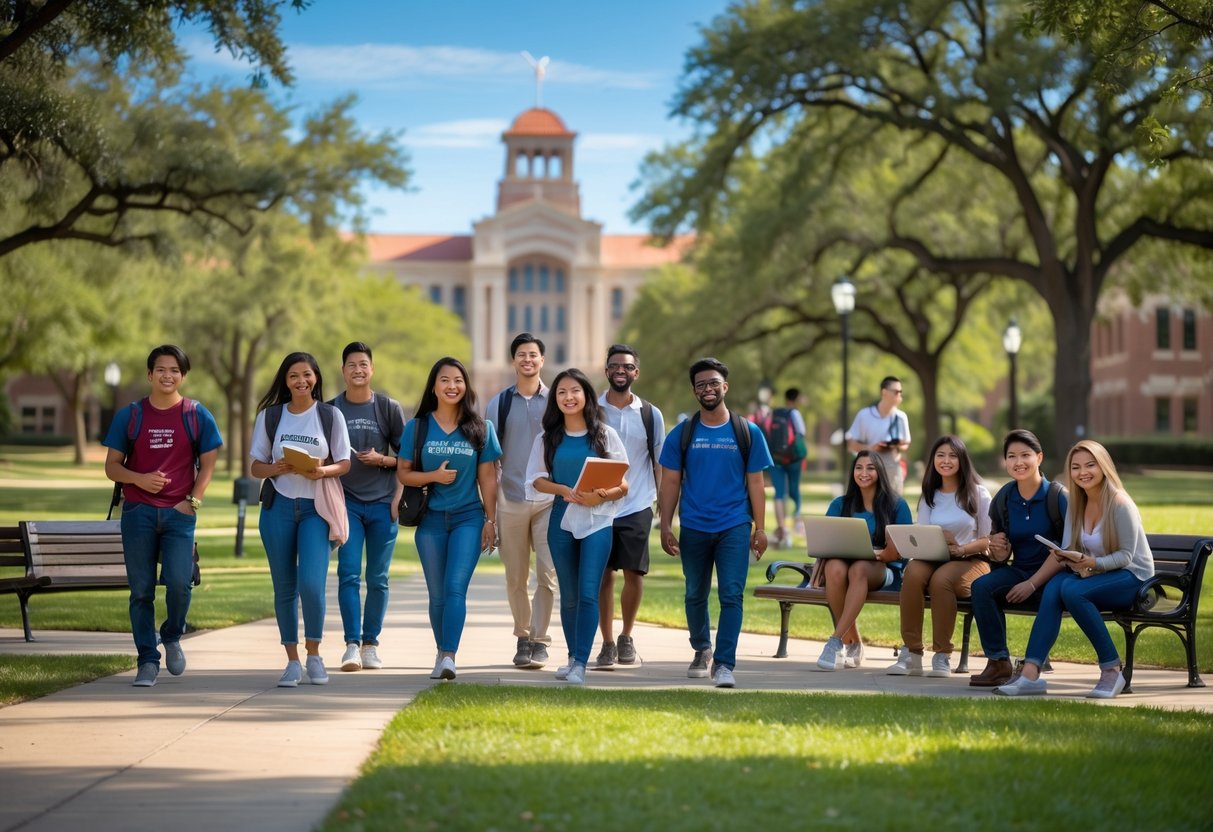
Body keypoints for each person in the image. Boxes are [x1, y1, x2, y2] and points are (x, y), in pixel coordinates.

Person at [103, 345, 223, 688]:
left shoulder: (197, 415)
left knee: (180, 584)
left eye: (174, 370)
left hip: (179, 515)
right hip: (138, 512)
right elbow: (111, 466)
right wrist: (139, 478)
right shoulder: (131, 415)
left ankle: (171, 634)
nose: (167, 375)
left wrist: (192, 503)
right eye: (160, 369)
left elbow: (209, 464)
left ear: (183, 376)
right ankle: (147, 660)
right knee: (141, 591)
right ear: (149, 374)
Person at [995, 441, 1154, 699]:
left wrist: (1091, 563)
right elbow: (1069, 545)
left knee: (1072, 591)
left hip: (1133, 578)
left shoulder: (1120, 503)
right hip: (1099, 575)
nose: (1083, 472)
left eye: (1090, 465)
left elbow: (1127, 556)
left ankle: (1112, 670)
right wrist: (1066, 556)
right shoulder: (1077, 504)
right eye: (1076, 467)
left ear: (1104, 467)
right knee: (1057, 585)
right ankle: (1031, 673)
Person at [658, 358, 773, 689]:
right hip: (694, 524)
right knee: (694, 592)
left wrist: (760, 527)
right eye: (701, 385)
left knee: (732, 595)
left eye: (713, 383)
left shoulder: (747, 432)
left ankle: (724, 663)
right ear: (695, 391)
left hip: (734, 525)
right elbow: (670, 483)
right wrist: (666, 525)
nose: (707, 389)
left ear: (725, 387)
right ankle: (701, 648)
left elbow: (756, 484)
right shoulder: (682, 434)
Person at [250, 352, 352, 687]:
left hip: (315, 509)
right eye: (294, 376)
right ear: (285, 380)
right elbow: (256, 467)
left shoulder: (329, 415)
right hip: (278, 506)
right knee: (284, 587)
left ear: (316, 378)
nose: (301, 381)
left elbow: (345, 463)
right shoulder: (271, 417)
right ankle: (292, 661)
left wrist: (321, 470)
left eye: (306, 375)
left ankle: (314, 654)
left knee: (311, 584)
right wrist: (277, 467)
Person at [399, 357, 501, 681]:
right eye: (445, 380)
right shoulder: (417, 427)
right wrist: (434, 477)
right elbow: (404, 474)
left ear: (466, 387)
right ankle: (441, 650)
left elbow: (488, 479)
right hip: (430, 521)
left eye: (458, 380)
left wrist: (491, 520)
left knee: (456, 587)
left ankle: (448, 656)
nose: (452, 386)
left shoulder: (481, 429)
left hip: (468, 518)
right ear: (434, 387)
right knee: (438, 594)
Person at [526, 368, 628, 685]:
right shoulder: (547, 439)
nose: (569, 397)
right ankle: (573, 658)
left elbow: (624, 483)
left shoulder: (605, 435)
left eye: (575, 391)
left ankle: (581, 663)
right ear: (556, 400)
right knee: (568, 595)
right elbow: (535, 479)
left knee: (587, 592)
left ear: (586, 396)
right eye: (561, 393)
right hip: (561, 518)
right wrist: (562, 490)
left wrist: (602, 496)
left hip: (598, 521)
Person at [968, 429, 1068, 687]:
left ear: (1039, 457)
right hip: (1020, 569)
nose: (1018, 462)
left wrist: (1032, 584)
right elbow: (1000, 552)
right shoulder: (1004, 497)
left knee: (1051, 594)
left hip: (1055, 576)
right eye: (1011, 456)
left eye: (1025, 455)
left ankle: (1033, 663)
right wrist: (999, 550)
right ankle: (998, 662)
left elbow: (1066, 550)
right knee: (982, 587)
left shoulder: (1058, 496)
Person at [887, 435, 992, 677]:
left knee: (941, 580)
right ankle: (911, 654)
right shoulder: (929, 495)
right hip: (935, 556)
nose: (946, 460)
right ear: (933, 460)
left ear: (962, 460)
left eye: (952, 455)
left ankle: (942, 654)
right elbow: (922, 535)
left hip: (972, 559)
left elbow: (988, 540)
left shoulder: (978, 493)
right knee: (912, 573)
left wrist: (961, 549)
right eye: (940, 455)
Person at [331, 342, 406, 672]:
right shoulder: (331, 409)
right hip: (346, 503)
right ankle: (351, 645)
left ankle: (371, 644)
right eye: (351, 365)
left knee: (377, 578)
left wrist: (394, 490)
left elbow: (407, 458)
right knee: (348, 574)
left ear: (371, 369)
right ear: (343, 370)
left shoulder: (388, 407)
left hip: (382, 505)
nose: (358, 370)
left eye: (363, 364)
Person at [486, 333, 557, 669]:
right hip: (511, 499)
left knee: (548, 573)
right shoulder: (498, 404)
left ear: (542, 360)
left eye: (533, 355)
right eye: (521, 355)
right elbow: (488, 458)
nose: (527, 360)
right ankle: (523, 636)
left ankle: (540, 641)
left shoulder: (558, 401)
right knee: (516, 576)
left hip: (548, 500)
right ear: (513, 361)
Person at [595, 344, 664, 669]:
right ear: (606, 371)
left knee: (635, 573)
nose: (620, 371)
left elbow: (659, 463)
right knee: (602, 576)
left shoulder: (650, 414)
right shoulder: (590, 409)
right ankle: (607, 642)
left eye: (627, 366)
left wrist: (665, 505)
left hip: (637, 503)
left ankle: (626, 636)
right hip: (598, 505)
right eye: (614, 366)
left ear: (636, 372)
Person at [815, 451, 912, 670]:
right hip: (844, 565)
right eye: (859, 468)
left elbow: (900, 551)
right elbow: (825, 540)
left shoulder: (896, 505)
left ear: (880, 472)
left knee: (858, 569)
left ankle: (835, 641)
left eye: (870, 468)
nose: (864, 473)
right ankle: (854, 642)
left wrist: (875, 553)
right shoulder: (841, 504)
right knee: (835, 568)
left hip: (884, 570)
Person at [847, 376, 911, 493]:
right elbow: (851, 445)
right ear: (884, 392)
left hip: (892, 468)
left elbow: (906, 444)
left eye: (901, 392)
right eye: (896, 392)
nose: (899, 395)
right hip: (869, 469)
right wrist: (871, 448)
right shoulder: (864, 415)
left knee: (893, 505)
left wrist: (894, 445)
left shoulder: (901, 417)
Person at [764, 387, 808, 548]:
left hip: (775, 458)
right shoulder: (794, 414)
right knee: (794, 489)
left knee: (779, 492)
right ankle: (796, 523)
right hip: (793, 457)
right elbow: (801, 433)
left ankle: (782, 528)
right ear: (796, 399)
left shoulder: (774, 413)